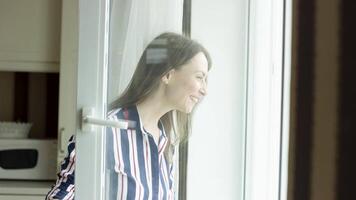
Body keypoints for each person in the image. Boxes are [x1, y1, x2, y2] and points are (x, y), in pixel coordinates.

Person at [46, 32, 212, 200]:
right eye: (199, 77)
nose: (204, 90)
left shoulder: (166, 143)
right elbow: (59, 196)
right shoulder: (106, 129)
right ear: (168, 75)